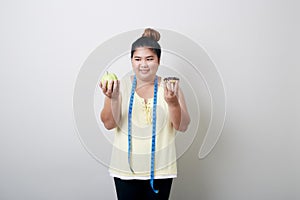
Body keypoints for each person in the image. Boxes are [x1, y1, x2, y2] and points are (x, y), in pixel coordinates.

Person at [100, 28, 190, 200]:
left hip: (161, 170)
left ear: (159, 60)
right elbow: (109, 124)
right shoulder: (119, 87)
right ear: (131, 61)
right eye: (137, 59)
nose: (143, 64)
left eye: (149, 59)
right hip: (125, 171)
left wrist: (172, 103)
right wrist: (112, 98)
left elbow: (183, 126)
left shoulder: (170, 87)